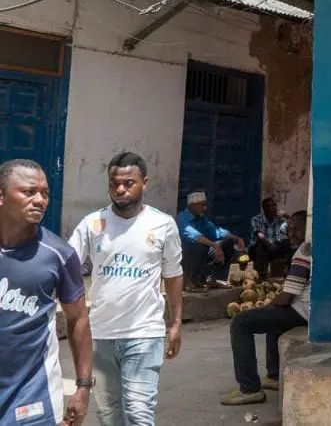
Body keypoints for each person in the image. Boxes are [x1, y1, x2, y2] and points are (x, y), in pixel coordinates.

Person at [67, 152, 184, 426]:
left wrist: (176, 322)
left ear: (145, 182)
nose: (120, 189)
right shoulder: (92, 224)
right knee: (109, 414)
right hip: (100, 334)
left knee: (138, 412)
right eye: (114, 183)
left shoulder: (162, 224)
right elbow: (67, 264)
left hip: (144, 333)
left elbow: (173, 274)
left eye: (128, 183)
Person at [0, 159, 93, 426]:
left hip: (31, 392)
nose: (40, 200)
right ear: (1, 196)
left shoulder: (59, 255)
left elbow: (78, 319)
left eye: (45, 193)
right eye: (29, 192)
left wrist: (83, 387)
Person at [221, 211, 310, 406]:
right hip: (312, 310)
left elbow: (287, 297)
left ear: (308, 228)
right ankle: (274, 375)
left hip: (303, 311)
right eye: (291, 230)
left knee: (240, 322)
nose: (292, 234)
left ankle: (249, 388)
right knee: (273, 317)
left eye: (297, 229)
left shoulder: (305, 251)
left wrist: (270, 303)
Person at [176, 191, 246, 291]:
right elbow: (195, 236)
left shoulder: (201, 219)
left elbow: (217, 231)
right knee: (200, 245)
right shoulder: (182, 218)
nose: (205, 208)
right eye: (202, 205)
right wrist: (214, 245)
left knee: (227, 243)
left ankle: (214, 279)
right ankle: (193, 282)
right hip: (184, 256)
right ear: (193, 205)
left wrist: (237, 239)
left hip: (201, 253)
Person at [248, 196, 292, 278]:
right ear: (264, 208)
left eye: (274, 205)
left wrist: (287, 216)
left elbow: (293, 226)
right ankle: (260, 275)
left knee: (289, 243)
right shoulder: (256, 219)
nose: (274, 208)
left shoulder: (280, 219)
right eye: (270, 206)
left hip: (274, 247)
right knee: (261, 244)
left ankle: (290, 272)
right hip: (257, 249)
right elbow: (259, 235)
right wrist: (269, 244)